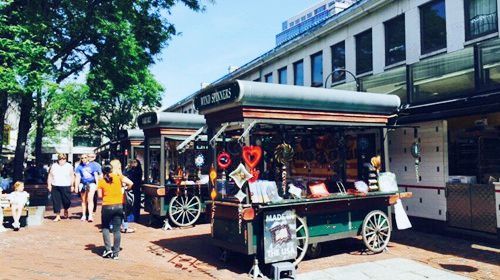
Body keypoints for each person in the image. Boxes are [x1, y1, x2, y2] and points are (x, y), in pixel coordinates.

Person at [98, 163, 133, 259]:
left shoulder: (101, 181)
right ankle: (116, 252)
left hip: (107, 206)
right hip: (118, 205)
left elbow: (100, 196)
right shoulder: (118, 177)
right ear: (112, 170)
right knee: (117, 230)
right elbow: (131, 183)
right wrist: (125, 188)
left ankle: (108, 249)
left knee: (105, 227)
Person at [47, 154, 74, 221]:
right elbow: (50, 176)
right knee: (56, 201)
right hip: (55, 185)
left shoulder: (69, 166)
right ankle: (57, 215)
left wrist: (72, 185)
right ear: (58, 159)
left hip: (66, 185)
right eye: (60, 159)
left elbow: (72, 176)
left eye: (63, 159)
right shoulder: (54, 166)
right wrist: (49, 185)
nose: (62, 160)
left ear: (66, 159)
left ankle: (66, 209)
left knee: (67, 201)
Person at [75, 154, 100, 222]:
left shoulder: (93, 166)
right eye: (82, 158)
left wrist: (97, 185)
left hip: (91, 184)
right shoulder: (79, 167)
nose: (84, 159)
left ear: (88, 158)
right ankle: (84, 215)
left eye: (85, 157)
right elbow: (78, 177)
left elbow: (96, 176)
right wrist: (76, 187)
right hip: (83, 184)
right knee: (83, 200)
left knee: (90, 199)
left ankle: (90, 215)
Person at [112, 160, 134, 233]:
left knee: (113, 212)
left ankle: (112, 226)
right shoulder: (120, 176)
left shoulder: (109, 176)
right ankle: (125, 227)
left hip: (111, 197)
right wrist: (127, 188)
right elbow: (131, 183)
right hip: (120, 197)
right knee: (123, 212)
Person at [124, 159, 143, 224]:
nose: (133, 164)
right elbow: (124, 174)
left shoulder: (137, 170)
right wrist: (127, 168)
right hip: (133, 188)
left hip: (136, 188)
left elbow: (128, 175)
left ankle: (135, 217)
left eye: (135, 162)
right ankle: (132, 217)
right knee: (132, 203)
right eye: (132, 162)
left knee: (135, 203)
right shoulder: (132, 170)